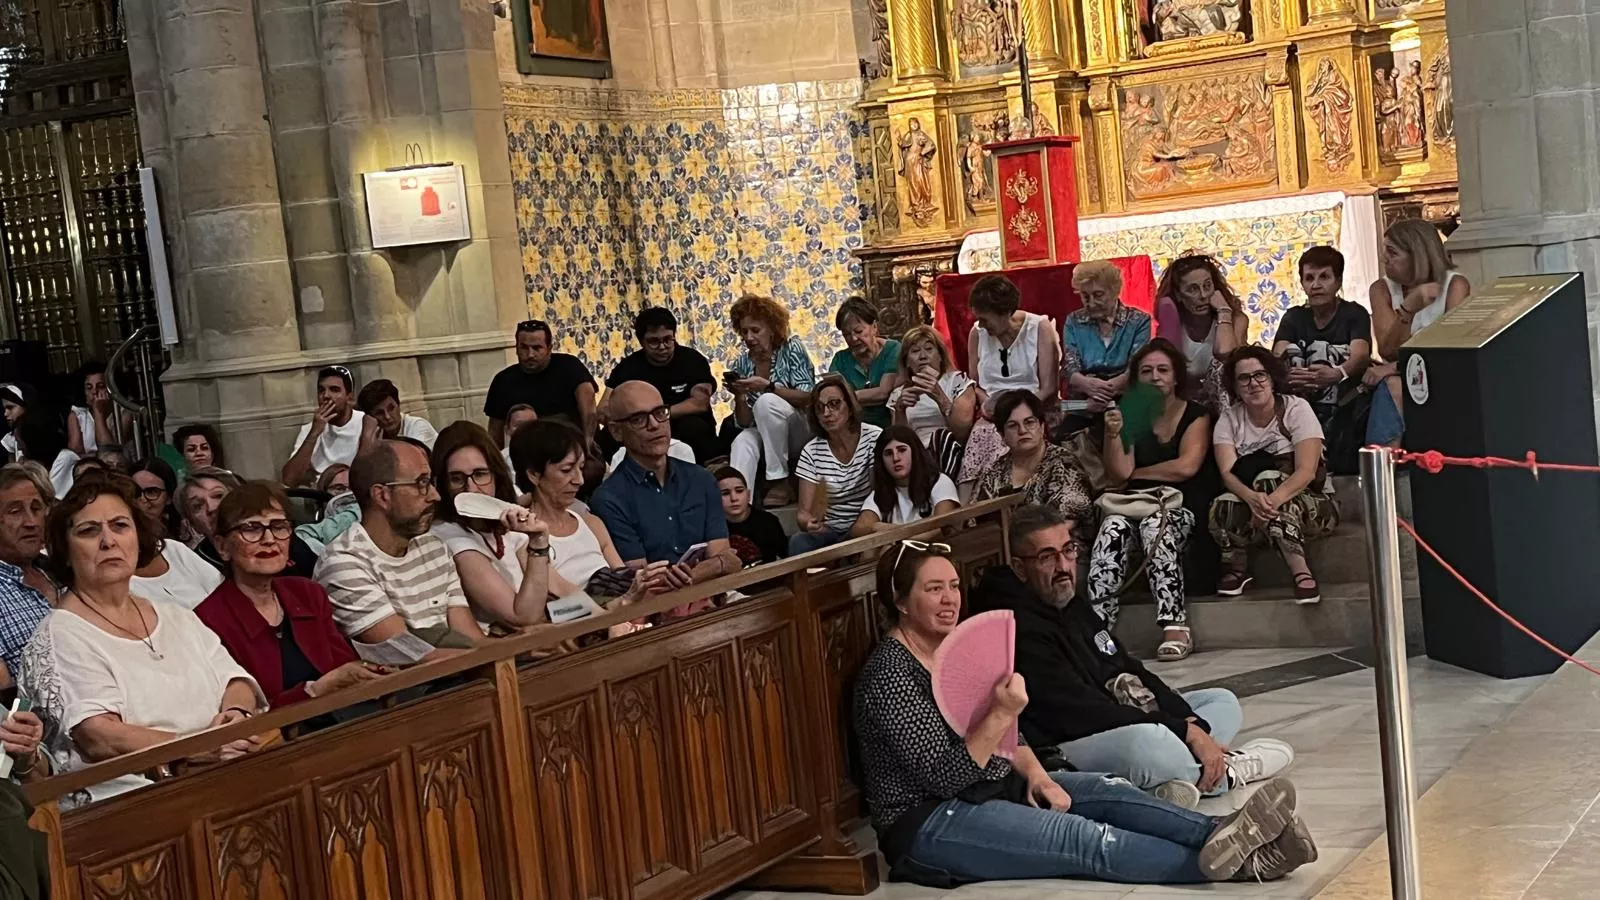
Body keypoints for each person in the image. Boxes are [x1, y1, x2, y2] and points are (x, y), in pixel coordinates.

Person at [854, 540, 1315, 887]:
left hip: (993, 787)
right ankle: (1242, 866)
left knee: (1102, 791)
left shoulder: (955, 653)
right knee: (1082, 839)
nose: (951, 599)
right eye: (934, 590)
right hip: (930, 821)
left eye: (953, 586)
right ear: (900, 600)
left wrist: (1037, 776)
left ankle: (1229, 831)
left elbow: (1011, 737)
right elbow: (946, 777)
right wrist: (1000, 713)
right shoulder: (890, 675)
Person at [974, 505, 1296, 810]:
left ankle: (1171, 782)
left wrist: (1186, 721)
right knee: (1151, 744)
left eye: (1068, 550)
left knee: (1222, 701)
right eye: (1047, 557)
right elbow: (1082, 713)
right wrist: (1183, 732)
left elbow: (1127, 664)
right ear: (1020, 568)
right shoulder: (1018, 627)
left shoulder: (1068, 602)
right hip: (1073, 740)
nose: (1063, 566)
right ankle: (1226, 773)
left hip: (1122, 714)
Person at [18, 477, 266, 806]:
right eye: (89, 531)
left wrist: (235, 716)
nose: (108, 541)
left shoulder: (176, 616)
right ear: (64, 552)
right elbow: (99, 737)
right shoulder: (60, 635)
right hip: (133, 812)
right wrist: (196, 747)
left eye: (120, 525)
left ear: (138, 537)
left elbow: (235, 680)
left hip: (220, 781)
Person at [195, 482, 384, 707]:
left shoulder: (308, 593)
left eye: (279, 526)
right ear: (222, 546)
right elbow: (245, 713)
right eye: (251, 528)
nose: (269, 539)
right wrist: (315, 690)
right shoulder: (208, 620)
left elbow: (345, 666)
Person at [1095, 339, 1219, 660]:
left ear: (1176, 377)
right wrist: (1113, 435)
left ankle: (1175, 625)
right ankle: (1098, 626)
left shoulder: (1195, 415)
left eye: (1163, 370)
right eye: (1146, 371)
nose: (1155, 377)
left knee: (1155, 525)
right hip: (1133, 505)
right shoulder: (1131, 412)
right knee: (1112, 526)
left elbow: (1185, 467)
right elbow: (1120, 473)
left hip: (1180, 507)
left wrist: (1140, 473)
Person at [315, 440, 484, 655]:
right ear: (382, 495)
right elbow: (413, 657)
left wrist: (524, 647)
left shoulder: (433, 545)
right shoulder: (344, 563)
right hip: (411, 686)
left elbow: (471, 639)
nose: (435, 495)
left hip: (460, 674)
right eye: (421, 483)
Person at [1211, 347, 1339, 603]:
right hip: (1256, 507)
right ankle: (1238, 567)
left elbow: (1306, 471)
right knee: (1224, 503)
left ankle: (1300, 570)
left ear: (1271, 378)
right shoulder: (1229, 419)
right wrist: (1252, 499)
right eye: (1244, 378)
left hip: (1311, 504)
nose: (1253, 383)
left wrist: (1269, 503)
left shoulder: (1296, 408)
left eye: (1260, 375)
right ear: (1235, 387)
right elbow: (1227, 473)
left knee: (1269, 479)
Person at [590, 382, 740, 585]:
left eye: (660, 413)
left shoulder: (702, 480)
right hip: (657, 610)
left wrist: (705, 569)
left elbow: (728, 561)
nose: (654, 425)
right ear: (617, 431)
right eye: (639, 419)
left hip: (714, 596)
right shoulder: (609, 498)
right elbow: (646, 580)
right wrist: (710, 567)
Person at [430, 421, 558, 629]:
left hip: (540, 634)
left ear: (496, 475)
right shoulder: (448, 535)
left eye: (480, 474)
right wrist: (538, 542)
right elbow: (522, 616)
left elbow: (560, 590)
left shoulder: (507, 525)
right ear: (443, 485)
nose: (470, 488)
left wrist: (605, 616)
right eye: (457, 478)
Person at [1366, 219, 1471, 447]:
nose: (1385, 258)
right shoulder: (1381, 289)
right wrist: (1408, 309)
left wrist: (1394, 368)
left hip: (1442, 376)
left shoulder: (1455, 286)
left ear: (1417, 255)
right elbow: (1388, 350)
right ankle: (1383, 466)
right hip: (1403, 379)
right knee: (1392, 387)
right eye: (1385, 251)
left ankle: (1383, 464)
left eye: (1392, 252)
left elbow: (1450, 350)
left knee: (1393, 383)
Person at [959, 274, 1060, 487]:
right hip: (991, 414)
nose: (981, 324)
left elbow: (1049, 388)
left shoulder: (1039, 327)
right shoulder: (977, 333)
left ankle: (1010, 504)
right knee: (978, 450)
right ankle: (970, 514)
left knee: (1009, 438)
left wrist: (1013, 410)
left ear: (1005, 312)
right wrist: (987, 403)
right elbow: (974, 384)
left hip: (1031, 409)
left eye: (985, 319)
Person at [513, 421, 637, 593]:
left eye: (580, 468)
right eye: (566, 470)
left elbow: (624, 582)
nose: (579, 480)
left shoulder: (592, 524)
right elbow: (555, 597)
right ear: (534, 474)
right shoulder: (523, 538)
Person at [1273, 246, 1373, 460]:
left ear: (1338, 281)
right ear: (1302, 284)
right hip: (1301, 404)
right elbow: (1278, 356)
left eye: (1324, 277)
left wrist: (1338, 373)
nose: (1316, 285)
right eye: (1309, 278)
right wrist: (1289, 374)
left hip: (1346, 406)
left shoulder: (1354, 314)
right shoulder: (1293, 317)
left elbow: (1361, 355)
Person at [726, 294, 817, 507]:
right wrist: (739, 395)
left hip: (799, 429)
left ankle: (779, 480)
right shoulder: (742, 362)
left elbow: (808, 398)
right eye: (744, 331)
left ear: (772, 330)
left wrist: (768, 387)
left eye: (755, 330)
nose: (748, 337)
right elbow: (744, 422)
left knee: (766, 401)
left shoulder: (791, 349)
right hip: (763, 430)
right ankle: (739, 505)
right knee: (742, 441)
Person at [604, 307, 720, 462]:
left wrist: (660, 415)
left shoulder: (692, 360)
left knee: (693, 425)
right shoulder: (628, 367)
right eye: (654, 341)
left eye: (667, 339)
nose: (662, 346)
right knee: (606, 436)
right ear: (641, 341)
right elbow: (603, 409)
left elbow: (699, 404)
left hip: (685, 426)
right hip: (643, 427)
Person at [974, 391, 1093, 525]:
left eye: (1029, 422)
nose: (1022, 430)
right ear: (1002, 435)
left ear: (1042, 428)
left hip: (1060, 543)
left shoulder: (1064, 464)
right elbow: (973, 520)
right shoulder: (995, 471)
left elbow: (1066, 523)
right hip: (999, 544)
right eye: (1013, 425)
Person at [793, 377, 881, 555]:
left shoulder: (874, 438)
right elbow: (803, 513)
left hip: (866, 522)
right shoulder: (811, 451)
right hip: (829, 529)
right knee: (798, 543)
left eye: (834, 404)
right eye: (820, 408)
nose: (827, 413)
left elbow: (879, 494)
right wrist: (808, 523)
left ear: (850, 406)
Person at [1062, 260, 1153, 426]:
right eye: (1085, 296)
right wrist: (1087, 385)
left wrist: (1104, 391)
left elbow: (1137, 366)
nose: (1091, 303)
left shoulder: (1138, 321)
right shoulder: (1073, 321)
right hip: (1085, 402)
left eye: (1098, 295)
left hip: (1127, 398)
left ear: (1114, 291)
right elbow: (1070, 366)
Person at [483, 319, 598, 448]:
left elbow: (589, 410)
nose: (530, 354)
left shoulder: (570, 368)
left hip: (572, 449)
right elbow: (495, 434)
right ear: (516, 348)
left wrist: (588, 446)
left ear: (549, 349)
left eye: (537, 348)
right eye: (524, 348)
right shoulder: (503, 381)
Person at [1153, 254, 1247, 408]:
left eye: (1207, 286)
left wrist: (1224, 311)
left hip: (1231, 408)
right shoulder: (1174, 326)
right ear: (1178, 295)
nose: (1203, 296)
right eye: (1193, 289)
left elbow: (1226, 353)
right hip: (1188, 410)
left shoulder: (1236, 319)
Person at [888, 325, 975, 479]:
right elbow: (899, 441)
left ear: (940, 356)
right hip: (916, 456)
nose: (923, 356)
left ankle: (942, 487)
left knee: (941, 437)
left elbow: (963, 432)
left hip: (951, 451)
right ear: (907, 362)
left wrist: (939, 396)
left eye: (929, 349)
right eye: (915, 351)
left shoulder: (957, 382)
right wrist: (900, 409)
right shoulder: (898, 394)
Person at [0, 465, 52, 697]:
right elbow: (5, 704)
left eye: (36, 508)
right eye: (15, 511)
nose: (31, 522)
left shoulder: (67, 573)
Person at [851, 425, 958, 536]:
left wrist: (895, 533)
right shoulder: (881, 493)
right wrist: (876, 526)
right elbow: (859, 528)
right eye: (888, 453)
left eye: (902, 450)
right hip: (899, 550)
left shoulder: (939, 482)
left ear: (915, 452)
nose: (896, 458)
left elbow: (940, 525)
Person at [283, 365, 366, 487]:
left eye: (334, 390)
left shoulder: (365, 422)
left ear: (349, 396)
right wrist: (315, 432)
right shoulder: (310, 429)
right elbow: (289, 480)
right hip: (323, 494)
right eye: (321, 390)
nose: (326, 396)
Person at [827, 297, 901, 429]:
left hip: (890, 426)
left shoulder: (892, 350)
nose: (853, 338)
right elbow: (832, 396)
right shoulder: (840, 360)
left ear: (874, 327)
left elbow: (883, 393)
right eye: (847, 334)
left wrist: (846, 396)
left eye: (859, 331)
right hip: (854, 427)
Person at [715, 467, 787, 567]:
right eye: (725, 493)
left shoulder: (768, 522)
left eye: (739, 491)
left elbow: (784, 560)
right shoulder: (711, 528)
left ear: (748, 495)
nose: (734, 498)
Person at [70, 360, 135, 457]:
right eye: (89, 388)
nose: (94, 391)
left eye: (100, 386)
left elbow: (108, 450)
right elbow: (75, 451)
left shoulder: (125, 414)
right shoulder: (78, 414)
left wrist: (98, 411)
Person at [356, 379, 439, 450]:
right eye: (379, 413)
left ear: (398, 405)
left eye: (391, 408)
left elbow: (409, 461)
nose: (387, 417)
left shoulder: (418, 426)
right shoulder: (375, 435)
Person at [13, 413, 78, 499]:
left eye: (20, 442)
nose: (19, 447)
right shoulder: (33, 463)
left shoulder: (66, 459)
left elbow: (49, 501)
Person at [130, 458, 186, 543]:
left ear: (169, 498)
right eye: (135, 491)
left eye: (152, 491)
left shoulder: (186, 534)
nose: (142, 499)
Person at [501, 404, 538, 474]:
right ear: (507, 430)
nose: (526, 429)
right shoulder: (500, 460)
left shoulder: (552, 455)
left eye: (532, 424)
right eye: (519, 425)